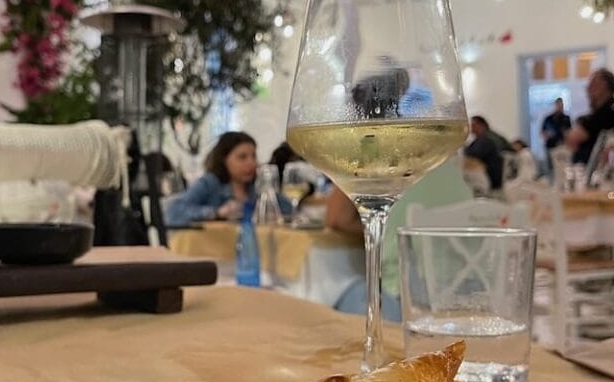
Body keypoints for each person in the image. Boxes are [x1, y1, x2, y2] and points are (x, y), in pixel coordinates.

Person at [325, 158, 473, 321]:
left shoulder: (381, 160)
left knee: (339, 290)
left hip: (409, 305)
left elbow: (337, 220)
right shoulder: (449, 168)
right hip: (471, 298)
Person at [164, 131, 291, 226]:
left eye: (253, 156)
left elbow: (289, 209)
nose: (251, 163)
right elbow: (173, 213)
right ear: (224, 160)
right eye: (242, 157)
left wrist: (269, 191)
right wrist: (217, 213)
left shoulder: (256, 186)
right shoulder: (210, 183)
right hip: (216, 251)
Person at [566, 68, 614, 165]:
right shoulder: (596, 115)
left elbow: (573, 138)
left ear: (604, 86)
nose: (588, 90)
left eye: (592, 85)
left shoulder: (607, 113)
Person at [464, 116, 504, 191]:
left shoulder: (487, 139)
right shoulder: (480, 139)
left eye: (473, 125)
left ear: (482, 125)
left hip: (490, 176)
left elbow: (473, 155)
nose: (471, 128)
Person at [541, 97, 571, 163]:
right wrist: (547, 135)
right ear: (556, 105)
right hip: (551, 146)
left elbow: (569, 132)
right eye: (558, 104)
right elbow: (543, 132)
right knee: (551, 166)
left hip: (563, 146)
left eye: (561, 105)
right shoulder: (548, 119)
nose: (560, 106)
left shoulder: (566, 118)